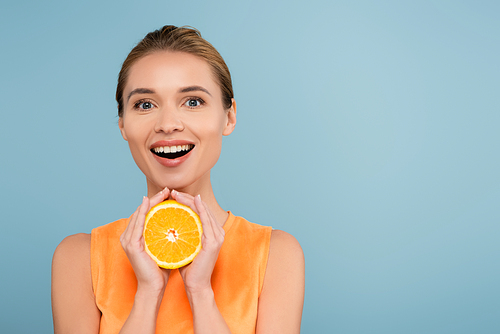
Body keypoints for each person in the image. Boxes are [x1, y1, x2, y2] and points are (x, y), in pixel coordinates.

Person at [51, 25, 305, 333]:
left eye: (193, 101)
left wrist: (201, 293)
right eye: (145, 104)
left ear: (229, 116)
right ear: (123, 125)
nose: (168, 124)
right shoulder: (78, 259)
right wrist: (147, 294)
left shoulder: (277, 255)